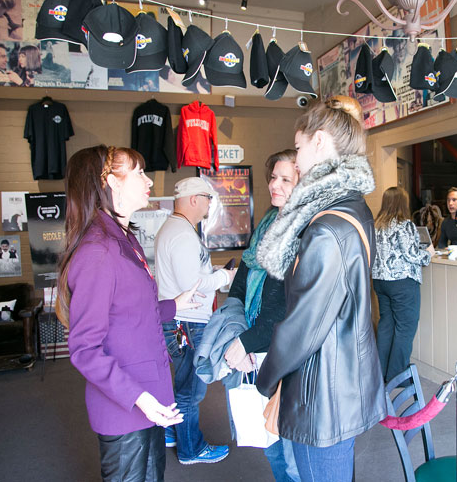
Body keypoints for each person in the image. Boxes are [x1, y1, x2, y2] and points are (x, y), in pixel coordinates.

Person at [255, 96, 387, 481]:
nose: (295, 161)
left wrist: (266, 379)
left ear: (320, 141)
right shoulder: (352, 207)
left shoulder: (327, 228)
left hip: (322, 392)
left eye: (298, 148)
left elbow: (304, 328)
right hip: (339, 376)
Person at [56, 145, 202, 481]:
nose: (148, 180)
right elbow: (84, 350)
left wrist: (175, 305)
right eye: (138, 172)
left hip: (148, 400)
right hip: (127, 405)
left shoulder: (122, 237)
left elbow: (130, 310)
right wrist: (138, 397)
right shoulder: (100, 250)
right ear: (111, 182)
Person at [222, 149, 301, 482]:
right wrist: (241, 333)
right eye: (273, 177)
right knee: (270, 440)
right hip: (258, 346)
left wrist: (247, 341)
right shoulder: (268, 222)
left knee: (290, 446)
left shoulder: (302, 230)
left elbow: (285, 307)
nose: (274, 185)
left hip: (286, 354)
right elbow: (241, 282)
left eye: (286, 179)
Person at [154, 176, 237, 465]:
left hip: (181, 320)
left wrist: (212, 272)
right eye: (207, 199)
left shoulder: (177, 229)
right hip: (187, 322)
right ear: (193, 199)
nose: (208, 205)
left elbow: (191, 273)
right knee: (192, 389)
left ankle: (174, 431)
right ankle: (191, 449)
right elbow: (193, 283)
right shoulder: (181, 233)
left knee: (185, 382)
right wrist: (225, 276)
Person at [373, 186, 434, 382]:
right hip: (402, 282)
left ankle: (381, 373)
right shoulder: (404, 225)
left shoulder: (376, 225)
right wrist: (429, 254)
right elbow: (412, 254)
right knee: (405, 328)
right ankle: (397, 377)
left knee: (386, 325)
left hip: (380, 281)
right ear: (403, 203)